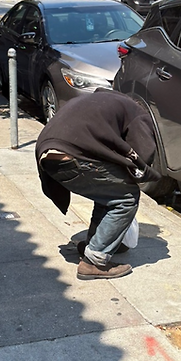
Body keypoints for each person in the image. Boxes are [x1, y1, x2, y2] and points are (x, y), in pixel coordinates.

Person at [36, 90, 158, 279]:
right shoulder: (136, 113)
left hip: (46, 153)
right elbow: (142, 155)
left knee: (108, 193)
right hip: (72, 153)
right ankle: (94, 261)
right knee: (126, 198)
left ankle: (93, 246)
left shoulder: (102, 99)